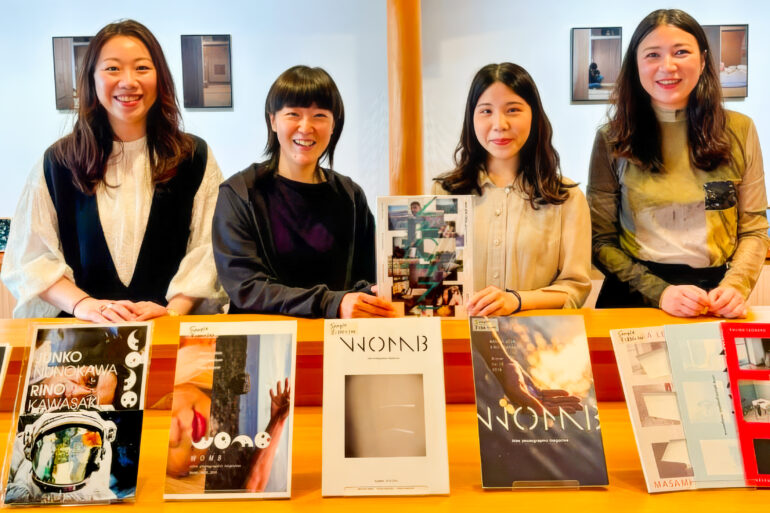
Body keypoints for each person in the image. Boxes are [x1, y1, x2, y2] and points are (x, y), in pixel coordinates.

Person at [1, 20, 224, 321]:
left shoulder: (193, 156)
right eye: (112, 69)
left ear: (160, 78)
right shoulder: (59, 161)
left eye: (142, 68)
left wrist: (173, 311)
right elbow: (31, 258)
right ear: (92, 79)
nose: (128, 81)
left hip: (168, 333)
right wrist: (86, 306)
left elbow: (209, 249)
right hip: (82, 344)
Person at [587, 9, 769, 318]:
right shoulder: (612, 139)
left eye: (681, 52)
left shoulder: (739, 130)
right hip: (632, 295)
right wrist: (660, 292)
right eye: (653, 55)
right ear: (635, 66)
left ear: (701, 60)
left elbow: (753, 229)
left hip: (714, 296)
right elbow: (600, 240)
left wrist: (736, 285)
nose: (667, 66)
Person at [212, 65, 396, 318]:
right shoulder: (240, 193)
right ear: (273, 120)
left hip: (336, 344)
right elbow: (247, 289)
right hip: (264, 345)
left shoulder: (350, 195)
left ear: (333, 125)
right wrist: (332, 303)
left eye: (319, 115)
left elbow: (368, 277)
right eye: (293, 114)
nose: (306, 127)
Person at [433, 63, 592, 315]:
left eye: (513, 110)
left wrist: (517, 301)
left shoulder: (567, 197)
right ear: (471, 119)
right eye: (486, 111)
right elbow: (430, 282)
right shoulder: (443, 192)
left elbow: (575, 288)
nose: (499, 124)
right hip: (458, 340)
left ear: (534, 115)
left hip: (534, 343)